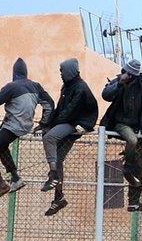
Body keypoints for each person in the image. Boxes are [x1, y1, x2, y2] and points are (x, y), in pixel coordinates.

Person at [0, 58, 54, 200]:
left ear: (14, 73)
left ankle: (1, 184)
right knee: (1, 147)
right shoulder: (36, 86)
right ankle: (15, 178)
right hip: (25, 126)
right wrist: (44, 123)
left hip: (13, 126)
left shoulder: (11, 87)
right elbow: (49, 104)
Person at [37, 58, 98, 216]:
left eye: (62, 71)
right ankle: (59, 198)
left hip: (77, 123)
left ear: (69, 71)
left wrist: (51, 126)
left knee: (49, 137)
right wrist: (46, 124)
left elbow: (70, 111)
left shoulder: (80, 87)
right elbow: (60, 109)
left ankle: (53, 175)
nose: (60, 74)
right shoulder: (68, 86)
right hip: (68, 120)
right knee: (57, 160)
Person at [100, 59, 142, 212]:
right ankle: (127, 168)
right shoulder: (119, 81)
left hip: (139, 127)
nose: (124, 74)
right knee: (132, 140)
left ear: (133, 75)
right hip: (121, 124)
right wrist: (119, 83)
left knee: (140, 164)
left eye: (127, 73)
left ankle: (134, 201)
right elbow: (105, 95)